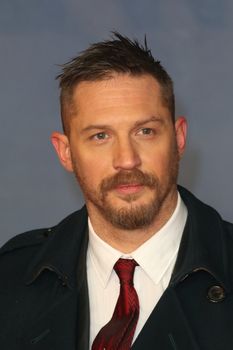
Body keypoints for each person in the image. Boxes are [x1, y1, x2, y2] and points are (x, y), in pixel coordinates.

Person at [0, 32, 233, 350]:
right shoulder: (9, 277)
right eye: (100, 136)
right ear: (65, 152)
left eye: (145, 131)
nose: (126, 160)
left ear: (178, 139)